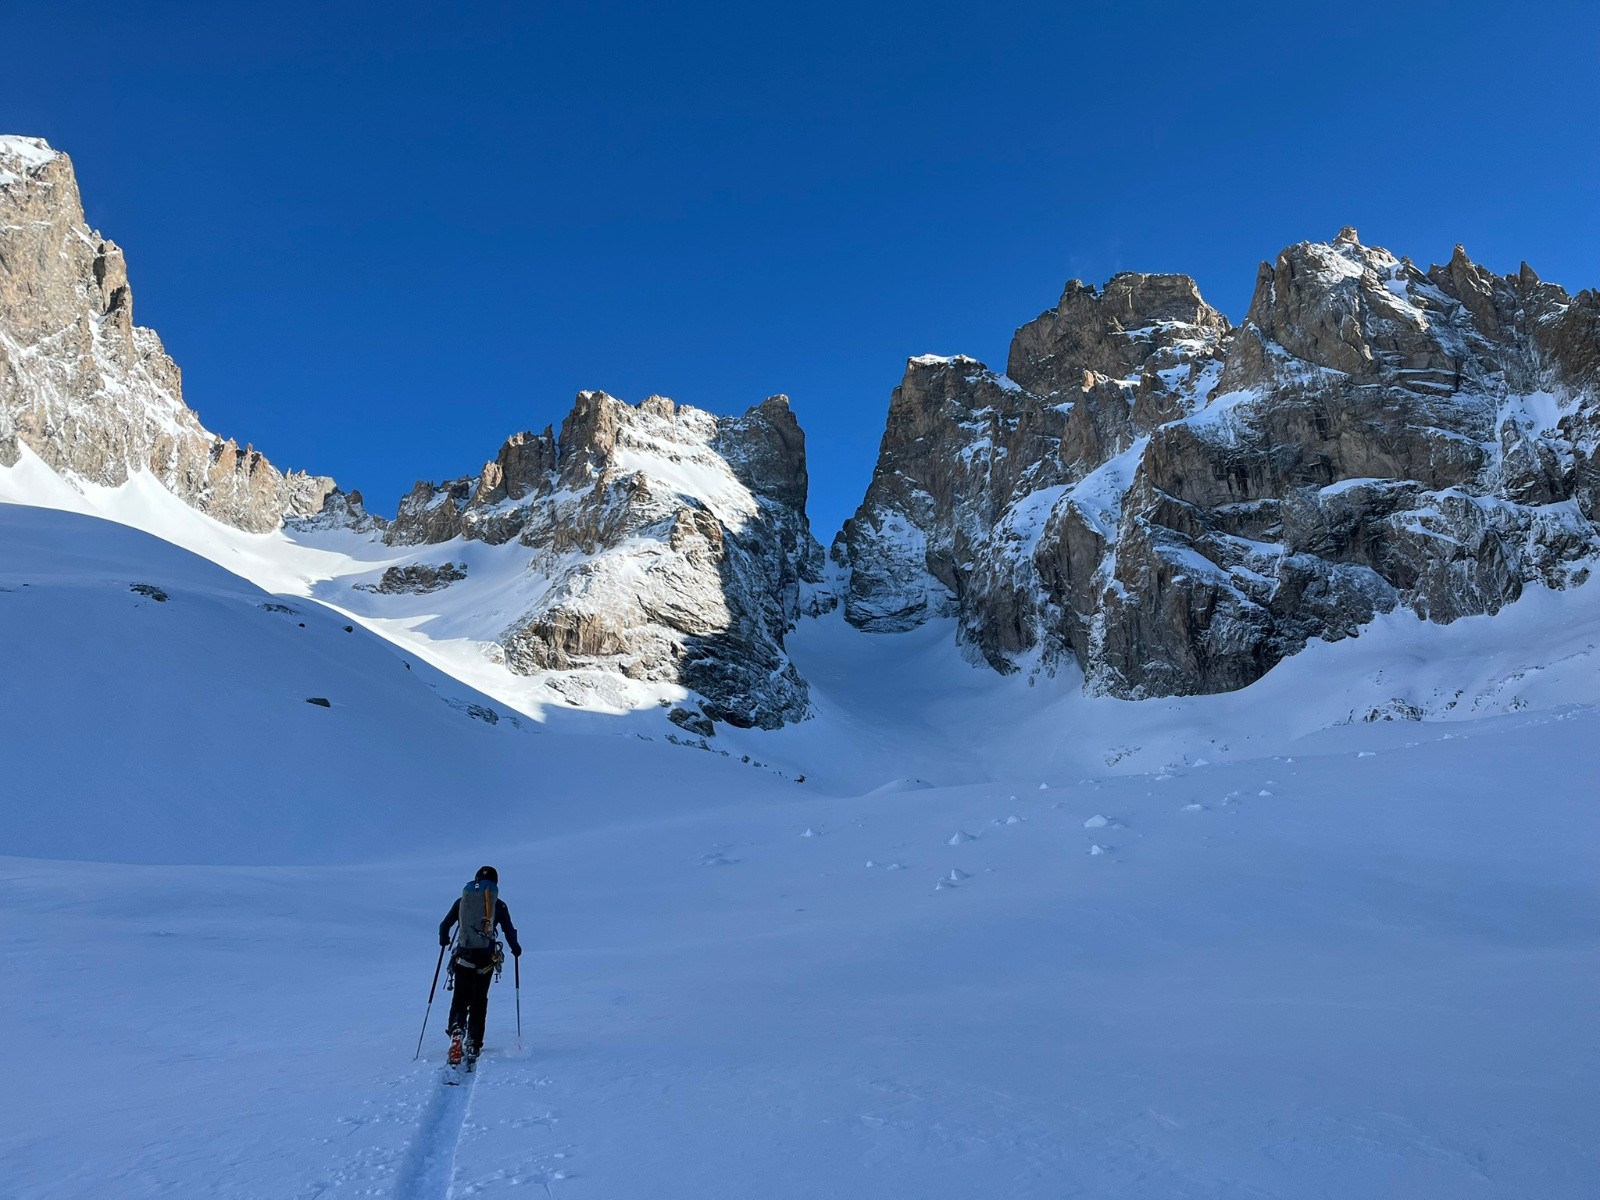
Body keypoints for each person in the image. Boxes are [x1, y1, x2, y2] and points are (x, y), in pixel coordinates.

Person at [438, 865, 521, 1065]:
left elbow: (444, 926)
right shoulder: (498, 906)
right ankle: (473, 1042)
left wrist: (444, 940)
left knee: (460, 997)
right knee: (479, 1000)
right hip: (486, 960)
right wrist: (515, 948)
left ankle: (457, 1031)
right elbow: (509, 930)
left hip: (463, 958)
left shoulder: (462, 902)